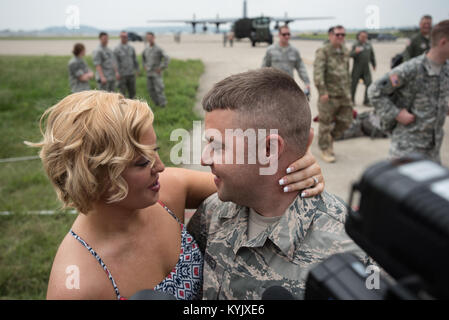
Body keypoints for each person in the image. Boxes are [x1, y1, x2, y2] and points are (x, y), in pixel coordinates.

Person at [26, 90, 324, 300]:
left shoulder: (167, 192)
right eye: (142, 163)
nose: (161, 167)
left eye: (154, 152)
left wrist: (293, 169)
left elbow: (245, 184)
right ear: (98, 177)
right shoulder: (77, 284)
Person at [187, 68, 371, 300]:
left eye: (218, 146)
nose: (204, 158)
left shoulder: (351, 250)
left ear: (269, 150)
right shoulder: (213, 212)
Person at [368, 20, 449, 163]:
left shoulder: (445, 69)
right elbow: (375, 91)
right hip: (407, 148)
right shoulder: (411, 69)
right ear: (443, 42)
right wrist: (396, 113)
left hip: (433, 149)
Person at [313, 25, 352, 163]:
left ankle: (328, 139)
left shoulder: (345, 51)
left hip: (344, 94)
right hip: (328, 96)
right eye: (337, 34)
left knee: (347, 121)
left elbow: (347, 73)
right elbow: (318, 73)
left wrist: (349, 92)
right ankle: (325, 149)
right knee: (325, 123)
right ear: (330, 36)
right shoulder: (323, 52)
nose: (340, 37)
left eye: (343, 35)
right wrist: (322, 91)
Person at [262, 26, 311, 95]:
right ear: (279, 35)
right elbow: (264, 68)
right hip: (274, 88)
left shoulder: (294, 51)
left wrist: (307, 82)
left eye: (288, 34)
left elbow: (301, 68)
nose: (287, 36)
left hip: (289, 87)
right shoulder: (270, 50)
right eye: (284, 34)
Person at [142, 32, 169, 107]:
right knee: (150, 90)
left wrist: (161, 67)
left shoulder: (158, 49)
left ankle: (163, 105)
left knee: (159, 90)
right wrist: (144, 66)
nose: (149, 39)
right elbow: (143, 58)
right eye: (148, 38)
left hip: (156, 73)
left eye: (150, 37)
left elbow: (167, 58)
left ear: (154, 38)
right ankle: (157, 103)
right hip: (149, 73)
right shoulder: (146, 49)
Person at [350, 31, 376, 106]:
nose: (364, 38)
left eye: (365, 36)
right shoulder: (355, 44)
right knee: (353, 84)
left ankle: (366, 101)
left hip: (366, 68)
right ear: (358, 36)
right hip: (357, 68)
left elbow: (372, 55)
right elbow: (350, 54)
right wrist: (356, 52)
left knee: (369, 84)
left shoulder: (369, 44)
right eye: (362, 36)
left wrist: (374, 64)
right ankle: (351, 100)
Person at [114, 31, 139, 99]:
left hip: (131, 73)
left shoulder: (131, 48)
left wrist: (137, 69)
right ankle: (123, 108)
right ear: (120, 37)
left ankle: (132, 107)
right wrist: (116, 72)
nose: (124, 38)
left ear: (127, 37)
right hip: (122, 74)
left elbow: (134, 59)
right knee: (122, 93)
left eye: (125, 37)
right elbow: (115, 61)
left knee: (132, 92)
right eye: (122, 37)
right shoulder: (117, 49)